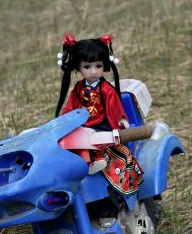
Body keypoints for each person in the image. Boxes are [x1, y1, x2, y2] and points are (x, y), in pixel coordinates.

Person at [55, 33, 143, 193]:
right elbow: (71, 106)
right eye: (87, 67)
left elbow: (114, 105)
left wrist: (121, 120)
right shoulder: (78, 88)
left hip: (101, 122)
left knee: (95, 138)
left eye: (98, 66)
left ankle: (98, 158)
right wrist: (64, 121)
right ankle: (83, 162)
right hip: (83, 122)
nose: (93, 71)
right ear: (78, 67)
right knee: (74, 139)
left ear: (105, 66)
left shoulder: (105, 89)